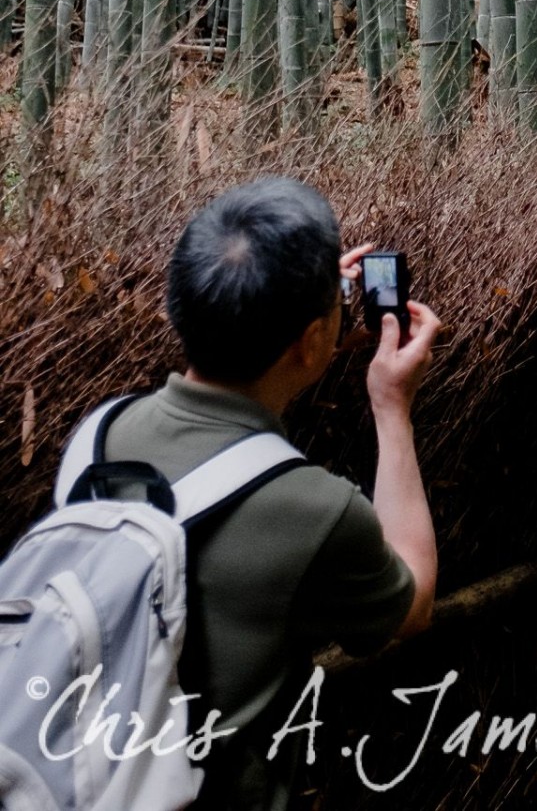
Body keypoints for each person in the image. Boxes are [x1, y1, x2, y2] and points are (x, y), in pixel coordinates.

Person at [71, 177, 440, 810]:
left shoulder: (97, 435)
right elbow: (413, 602)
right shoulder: (314, 509)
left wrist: (311, 308)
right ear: (309, 342)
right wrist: (391, 408)